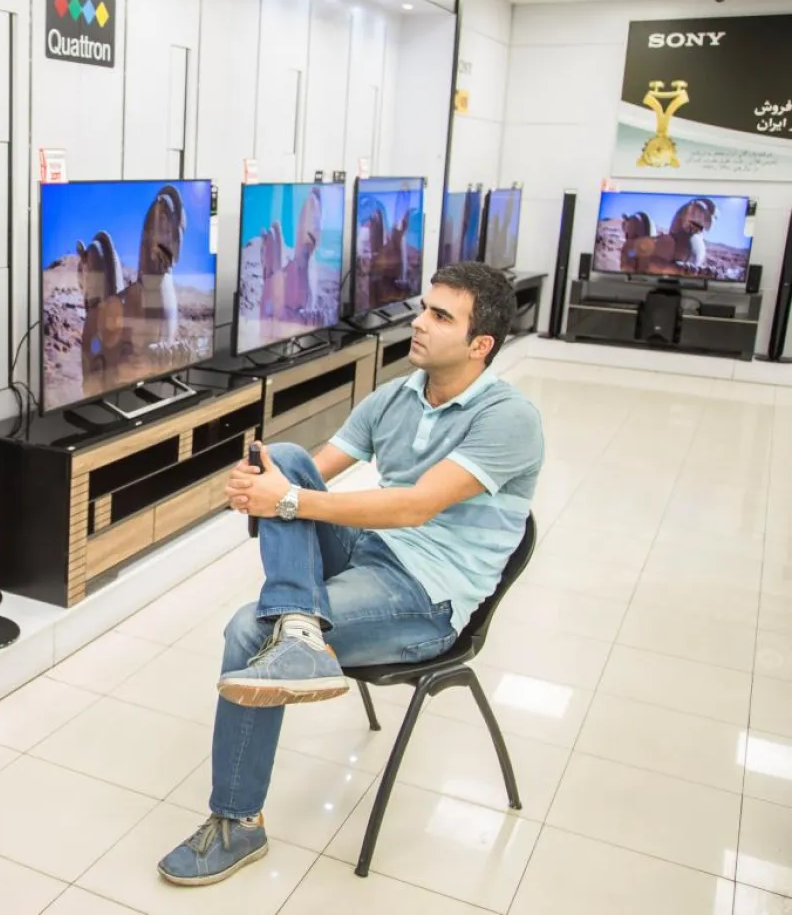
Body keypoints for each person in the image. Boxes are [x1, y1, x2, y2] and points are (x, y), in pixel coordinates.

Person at [158, 262, 544, 887]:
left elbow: (415, 506)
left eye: (440, 316)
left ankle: (237, 823)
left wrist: (284, 501)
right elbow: (313, 471)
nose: (418, 322)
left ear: (481, 346)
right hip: (373, 555)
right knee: (281, 456)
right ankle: (301, 631)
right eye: (425, 307)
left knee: (246, 632)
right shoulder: (396, 396)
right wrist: (263, 483)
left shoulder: (509, 418)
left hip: (426, 601)